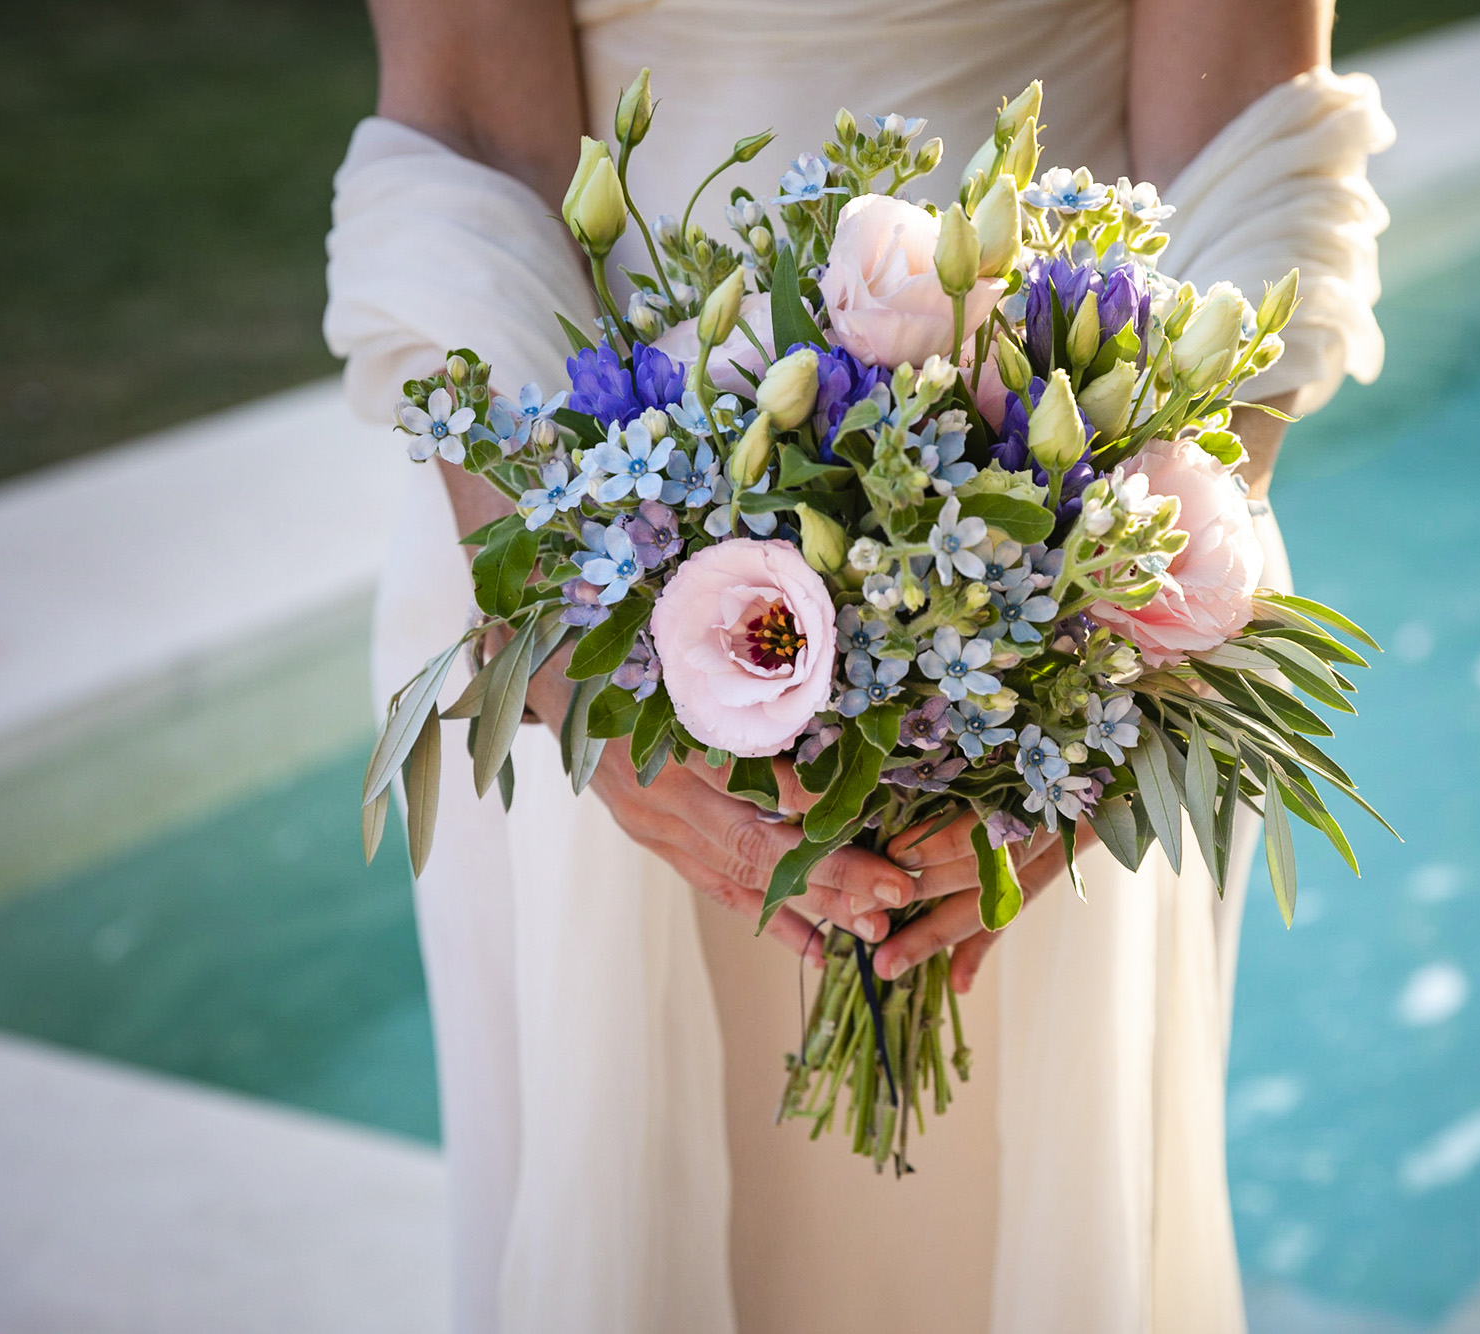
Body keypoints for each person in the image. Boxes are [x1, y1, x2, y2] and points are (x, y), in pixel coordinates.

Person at [325, 2, 1391, 1329]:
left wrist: (1110, 614)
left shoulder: (1088, 611)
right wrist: (569, 661)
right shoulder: (568, 615)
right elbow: (472, 127)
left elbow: (1247, 143)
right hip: (576, 535)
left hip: (1067, 591)